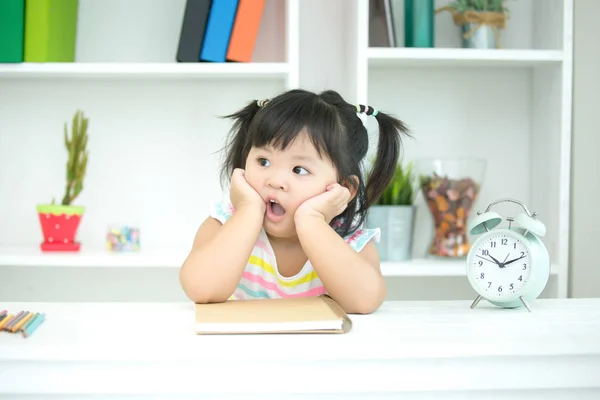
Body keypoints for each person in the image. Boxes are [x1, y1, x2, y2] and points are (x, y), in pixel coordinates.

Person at [179, 88, 410, 314]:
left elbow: (365, 301)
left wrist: (312, 221)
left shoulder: (348, 240)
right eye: (263, 161)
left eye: (299, 169)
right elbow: (200, 289)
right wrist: (248, 210)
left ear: (345, 189)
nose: (275, 180)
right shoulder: (225, 224)